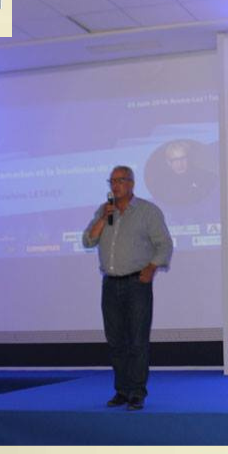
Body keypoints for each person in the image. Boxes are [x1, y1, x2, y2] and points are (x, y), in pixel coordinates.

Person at [82, 165, 173, 410]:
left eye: (120, 180)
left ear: (131, 183)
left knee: (137, 341)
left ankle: (137, 392)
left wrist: (151, 267)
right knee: (115, 341)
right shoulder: (104, 210)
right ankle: (121, 391)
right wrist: (104, 218)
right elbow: (88, 240)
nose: (115, 185)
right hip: (110, 284)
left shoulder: (147, 211)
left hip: (136, 285)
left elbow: (164, 245)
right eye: (112, 181)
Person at [146, 140, 218, 206]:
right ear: (168, 162)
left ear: (188, 159)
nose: (180, 164)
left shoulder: (205, 176)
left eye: (183, 158)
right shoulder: (162, 184)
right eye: (175, 160)